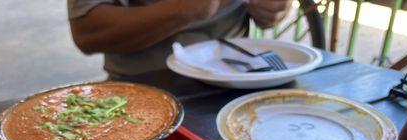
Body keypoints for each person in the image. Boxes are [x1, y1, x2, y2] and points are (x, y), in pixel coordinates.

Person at [68, 0, 293, 77]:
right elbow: (87, 33)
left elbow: (274, 14)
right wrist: (182, 9)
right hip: (143, 87)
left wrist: (273, 10)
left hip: (243, 82)